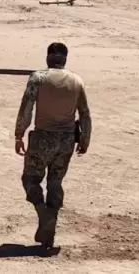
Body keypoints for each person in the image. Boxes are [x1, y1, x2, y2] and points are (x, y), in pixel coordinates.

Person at [15, 42, 91, 249]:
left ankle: (43, 211)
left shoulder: (38, 78)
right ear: (65, 59)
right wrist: (85, 139)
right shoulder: (77, 81)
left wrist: (19, 134)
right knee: (55, 182)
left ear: (48, 58)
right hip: (66, 141)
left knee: (30, 179)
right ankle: (50, 230)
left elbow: (27, 108)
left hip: (42, 138)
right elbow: (84, 113)